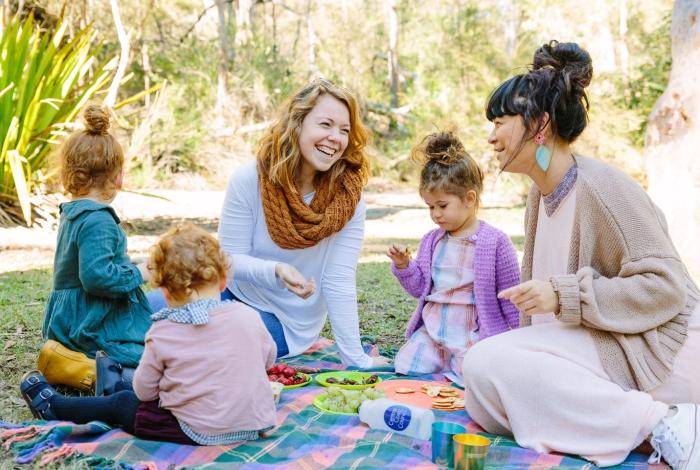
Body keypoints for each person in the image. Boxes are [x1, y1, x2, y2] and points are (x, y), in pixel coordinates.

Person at [461, 40, 700, 469]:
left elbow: (667, 288)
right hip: (609, 345)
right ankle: (639, 422)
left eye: (501, 121)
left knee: (488, 364)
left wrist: (565, 295)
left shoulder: (604, 188)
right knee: (484, 384)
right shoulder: (540, 195)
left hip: (666, 349)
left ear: (540, 126)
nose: (492, 136)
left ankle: (670, 426)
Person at [149, 79, 389, 368]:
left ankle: (133, 377)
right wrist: (275, 270)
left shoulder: (348, 198)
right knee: (145, 311)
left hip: (286, 322)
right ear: (297, 123)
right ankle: (125, 370)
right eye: (325, 124)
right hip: (228, 292)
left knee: (214, 343)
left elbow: (338, 280)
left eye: (344, 130)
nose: (336, 138)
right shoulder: (249, 179)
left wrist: (355, 357)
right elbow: (227, 260)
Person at [21, 223, 277, 445]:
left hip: (197, 431)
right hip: (254, 424)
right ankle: (105, 381)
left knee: (123, 403)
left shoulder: (164, 331)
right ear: (223, 281)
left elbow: (144, 392)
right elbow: (268, 359)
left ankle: (54, 406)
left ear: (164, 291)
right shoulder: (248, 315)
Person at [387, 131, 520, 383]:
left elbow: (510, 296)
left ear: (469, 198)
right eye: (430, 207)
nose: (436, 214)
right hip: (433, 331)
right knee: (408, 366)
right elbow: (420, 288)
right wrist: (404, 266)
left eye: (442, 205)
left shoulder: (496, 242)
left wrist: (519, 338)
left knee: (477, 376)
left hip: (472, 334)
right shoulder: (432, 240)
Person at [42, 105, 151, 368]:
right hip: (89, 323)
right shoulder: (98, 219)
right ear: (118, 176)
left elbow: (93, 260)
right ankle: (90, 367)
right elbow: (96, 277)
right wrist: (141, 273)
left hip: (71, 318)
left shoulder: (75, 212)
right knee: (153, 358)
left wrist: (133, 261)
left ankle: (74, 360)